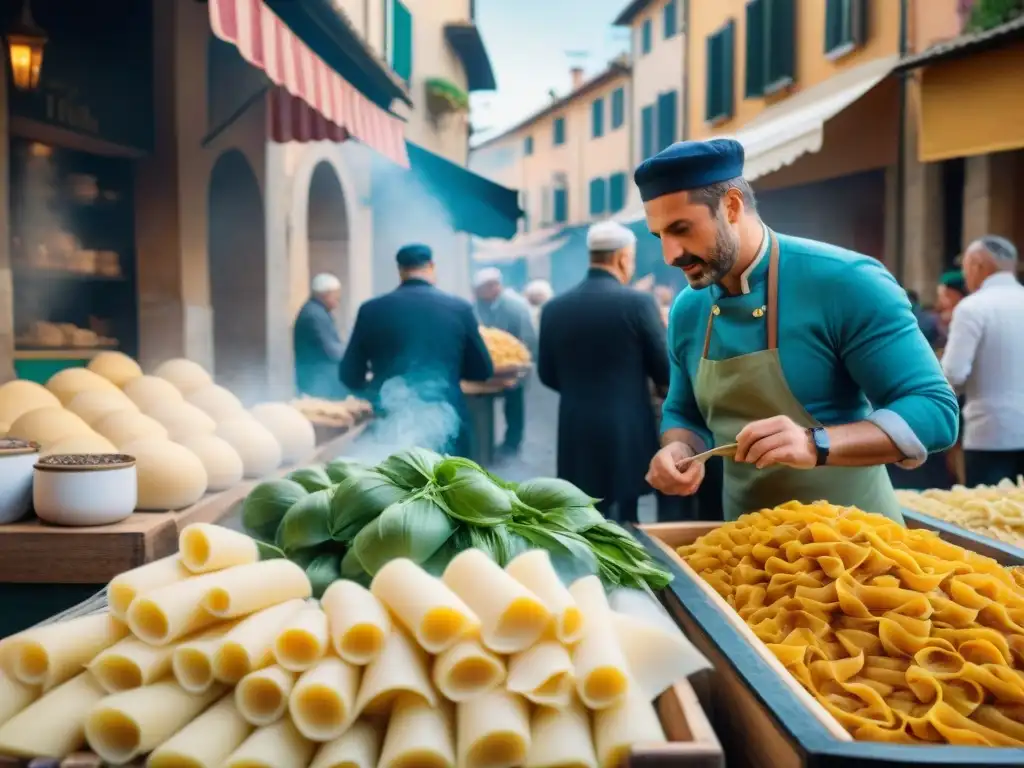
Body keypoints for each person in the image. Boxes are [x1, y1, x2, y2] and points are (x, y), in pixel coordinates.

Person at [640, 139, 959, 523]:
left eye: (682, 229)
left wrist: (816, 444)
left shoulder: (846, 281)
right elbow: (683, 412)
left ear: (732, 206)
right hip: (746, 552)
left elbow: (935, 411)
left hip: (857, 546)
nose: (670, 255)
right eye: (660, 236)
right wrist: (678, 448)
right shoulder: (689, 308)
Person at [538, 221, 670, 524]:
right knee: (626, 520)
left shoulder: (554, 307)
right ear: (623, 257)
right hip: (626, 427)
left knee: (583, 514)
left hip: (575, 426)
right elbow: (663, 368)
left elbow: (546, 373)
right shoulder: (637, 302)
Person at [339, 244, 494, 455]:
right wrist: (449, 373)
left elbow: (349, 374)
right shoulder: (459, 308)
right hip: (447, 419)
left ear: (400, 270)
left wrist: (377, 389)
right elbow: (482, 370)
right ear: (431, 266)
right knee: (449, 484)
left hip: (389, 420)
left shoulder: (371, 310)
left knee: (396, 484)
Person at [941, 235, 1024, 487]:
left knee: (988, 517)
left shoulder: (972, 308)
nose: (965, 275)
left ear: (977, 265)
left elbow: (953, 373)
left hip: (990, 433)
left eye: (965, 266)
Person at [473, 268, 536, 458]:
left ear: (493, 287)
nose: (476, 294)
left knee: (514, 404)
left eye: (479, 290)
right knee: (482, 404)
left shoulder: (516, 306)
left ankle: (512, 443)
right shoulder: (477, 305)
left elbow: (529, 337)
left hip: (513, 365)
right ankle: (484, 443)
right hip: (488, 365)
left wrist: (519, 361)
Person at [293, 273, 346, 398]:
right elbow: (331, 350)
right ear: (324, 294)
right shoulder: (314, 315)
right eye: (335, 295)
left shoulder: (317, 312)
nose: (338, 299)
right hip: (317, 382)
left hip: (320, 380)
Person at [935, 270, 967, 349]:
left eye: (946, 295)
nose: (940, 301)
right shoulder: (936, 320)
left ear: (958, 295)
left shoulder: (967, 319)